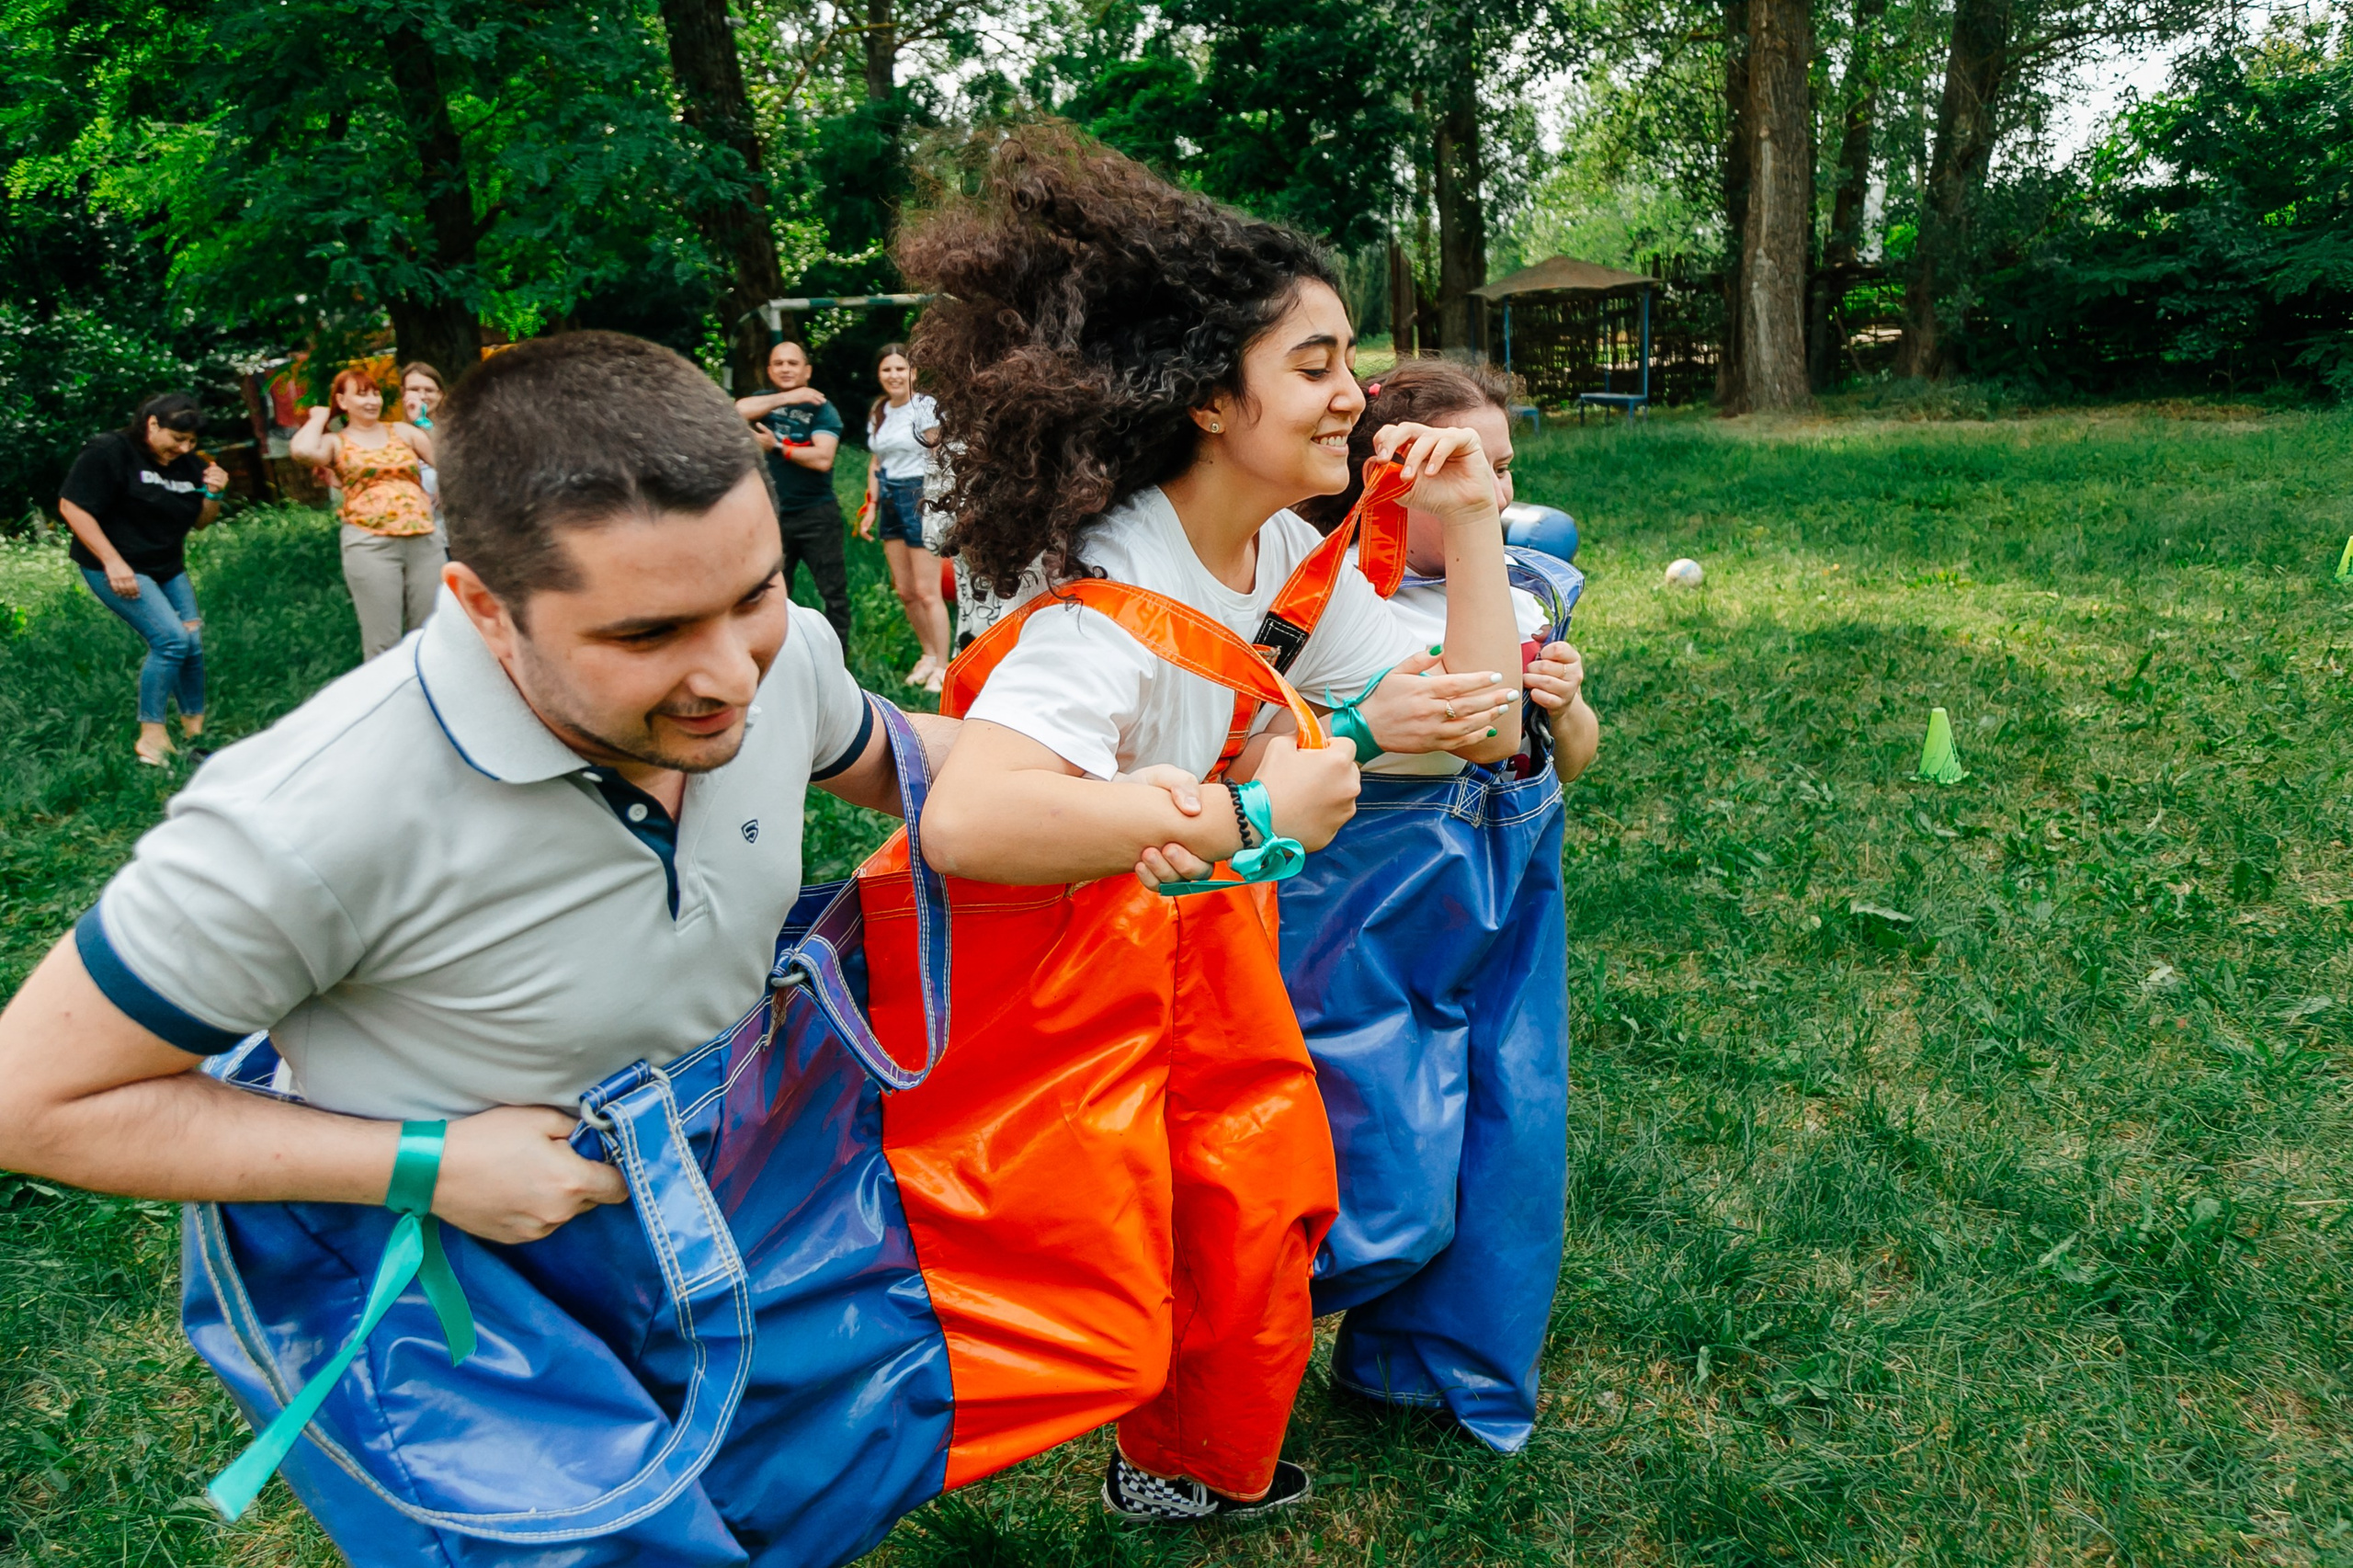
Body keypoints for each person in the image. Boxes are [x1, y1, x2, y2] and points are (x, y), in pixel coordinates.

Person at [0, 331, 957, 1561]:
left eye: (753, 594)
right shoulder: (305, 819)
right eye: (649, 633)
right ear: (482, 607)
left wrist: (1143, 776)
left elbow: (905, 761)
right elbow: (30, 1100)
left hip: (725, 1184)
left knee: (786, 1499)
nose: (732, 674)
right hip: (461, 1282)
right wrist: (427, 1163)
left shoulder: (789, 661)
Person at [899, 126, 1525, 1522]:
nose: (1354, 396)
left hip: (1187, 946)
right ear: (1202, 398)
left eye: (1349, 362)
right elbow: (973, 819)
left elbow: (1483, 728)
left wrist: (1472, 520)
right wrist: (1249, 807)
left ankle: (1183, 1469)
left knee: (1251, 1209)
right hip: (1060, 978)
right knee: (1103, 1248)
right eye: (1314, 366)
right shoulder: (1113, 590)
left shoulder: (1280, 552)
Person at [1279, 357, 1598, 1456]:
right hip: (1371, 896)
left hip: (1510, 873)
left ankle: (1432, 1366)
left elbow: (1560, 752)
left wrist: (1564, 707)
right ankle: (1224, 1330)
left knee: (1508, 1120)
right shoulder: (1326, 598)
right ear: (1387, 474)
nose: (1498, 493)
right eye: (1471, 468)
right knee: (1380, 1146)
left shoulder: (1522, 583)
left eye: (1504, 467)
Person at [58, 392, 229, 767]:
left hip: (166, 566)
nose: (184, 449)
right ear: (152, 424)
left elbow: (202, 521)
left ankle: (195, 733)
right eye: (177, 439)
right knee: (171, 639)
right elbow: (72, 507)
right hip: (114, 564)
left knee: (192, 643)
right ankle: (151, 737)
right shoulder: (110, 451)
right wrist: (113, 562)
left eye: (191, 441)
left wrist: (214, 493)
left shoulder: (189, 464)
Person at [289, 367, 444, 659]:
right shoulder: (336, 442)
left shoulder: (403, 432)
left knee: (430, 635)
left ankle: (427, 688)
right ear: (342, 401)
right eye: (362, 395)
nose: (372, 401)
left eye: (375, 394)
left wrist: (423, 422)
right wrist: (319, 418)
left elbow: (449, 461)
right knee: (383, 643)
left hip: (424, 541)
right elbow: (303, 451)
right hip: (371, 545)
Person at [735, 339, 851, 646]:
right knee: (771, 592)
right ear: (769, 370)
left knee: (833, 593)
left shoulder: (821, 409)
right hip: (771, 516)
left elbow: (823, 458)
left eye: (793, 363)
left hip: (816, 514)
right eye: (779, 363)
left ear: (807, 370)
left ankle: (838, 660)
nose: (785, 368)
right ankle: (779, 656)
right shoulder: (761, 402)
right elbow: (737, 410)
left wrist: (775, 446)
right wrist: (788, 397)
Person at [859, 344, 950, 692]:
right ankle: (927, 655)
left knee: (927, 591)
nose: (894, 375)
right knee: (906, 590)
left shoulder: (925, 407)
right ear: (879, 375)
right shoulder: (879, 410)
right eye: (887, 369)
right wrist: (871, 506)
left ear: (913, 372)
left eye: (900, 369)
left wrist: (942, 505)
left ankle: (943, 666)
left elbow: (941, 455)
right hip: (890, 497)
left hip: (920, 495)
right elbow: (876, 462)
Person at [399, 360, 448, 534]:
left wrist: (423, 422)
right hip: (414, 530)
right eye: (414, 389)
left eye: (429, 390)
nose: (422, 395)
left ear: (440, 394)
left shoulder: (456, 429)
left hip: (452, 529)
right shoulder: (395, 435)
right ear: (403, 392)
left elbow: (452, 460)